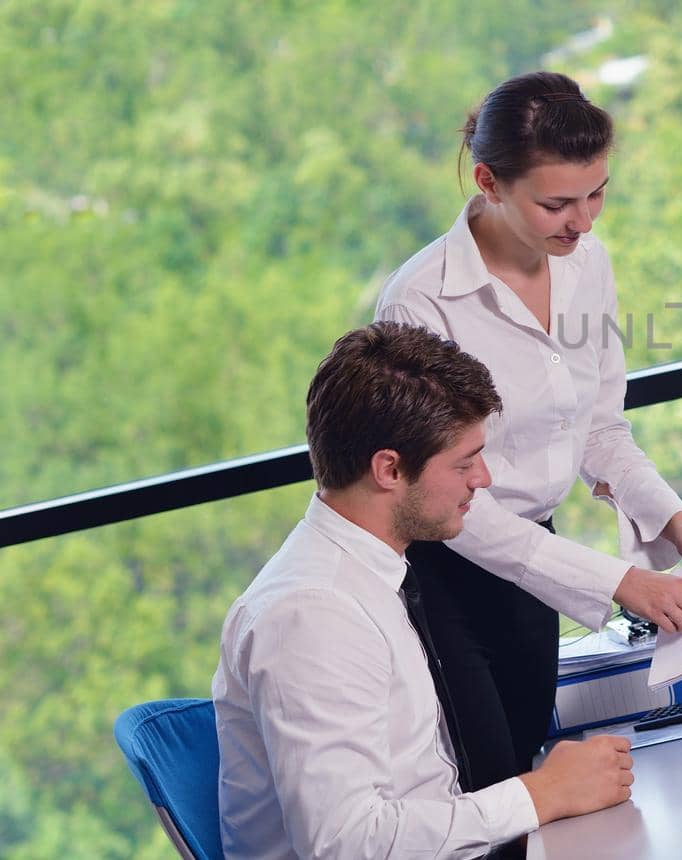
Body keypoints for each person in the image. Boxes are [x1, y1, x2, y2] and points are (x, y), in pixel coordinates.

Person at [374, 71, 682, 794]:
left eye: (597, 193)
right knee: (493, 785)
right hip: (444, 572)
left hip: (533, 570)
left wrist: (672, 518)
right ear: (488, 182)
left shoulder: (587, 266)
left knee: (530, 764)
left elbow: (598, 428)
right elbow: (450, 502)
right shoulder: (420, 304)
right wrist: (618, 581)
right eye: (556, 203)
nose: (584, 221)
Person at [213, 322, 634, 858]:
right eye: (463, 462)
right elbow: (346, 845)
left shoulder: (373, 574)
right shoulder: (312, 617)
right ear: (389, 469)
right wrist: (540, 793)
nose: (482, 479)